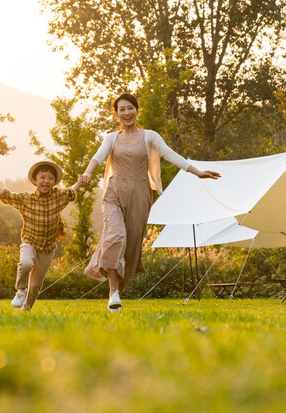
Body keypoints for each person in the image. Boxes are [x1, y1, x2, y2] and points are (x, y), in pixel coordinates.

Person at [79, 93, 220, 312]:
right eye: (122, 110)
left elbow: (172, 155)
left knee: (132, 248)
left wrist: (197, 172)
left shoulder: (150, 137)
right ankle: (112, 292)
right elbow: (98, 157)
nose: (126, 113)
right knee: (116, 236)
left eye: (130, 108)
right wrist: (87, 172)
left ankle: (117, 297)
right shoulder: (111, 138)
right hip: (115, 193)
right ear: (116, 114)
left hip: (140, 195)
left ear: (137, 110)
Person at [0, 160, 81, 311]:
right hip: (30, 242)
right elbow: (6, 194)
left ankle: (26, 310)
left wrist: (80, 182)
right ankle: (20, 290)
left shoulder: (59, 196)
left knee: (34, 286)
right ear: (35, 181)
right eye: (42, 177)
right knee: (26, 263)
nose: (46, 181)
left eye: (50, 178)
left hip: (47, 248)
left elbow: (71, 191)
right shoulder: (26, 199)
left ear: (54, 182)